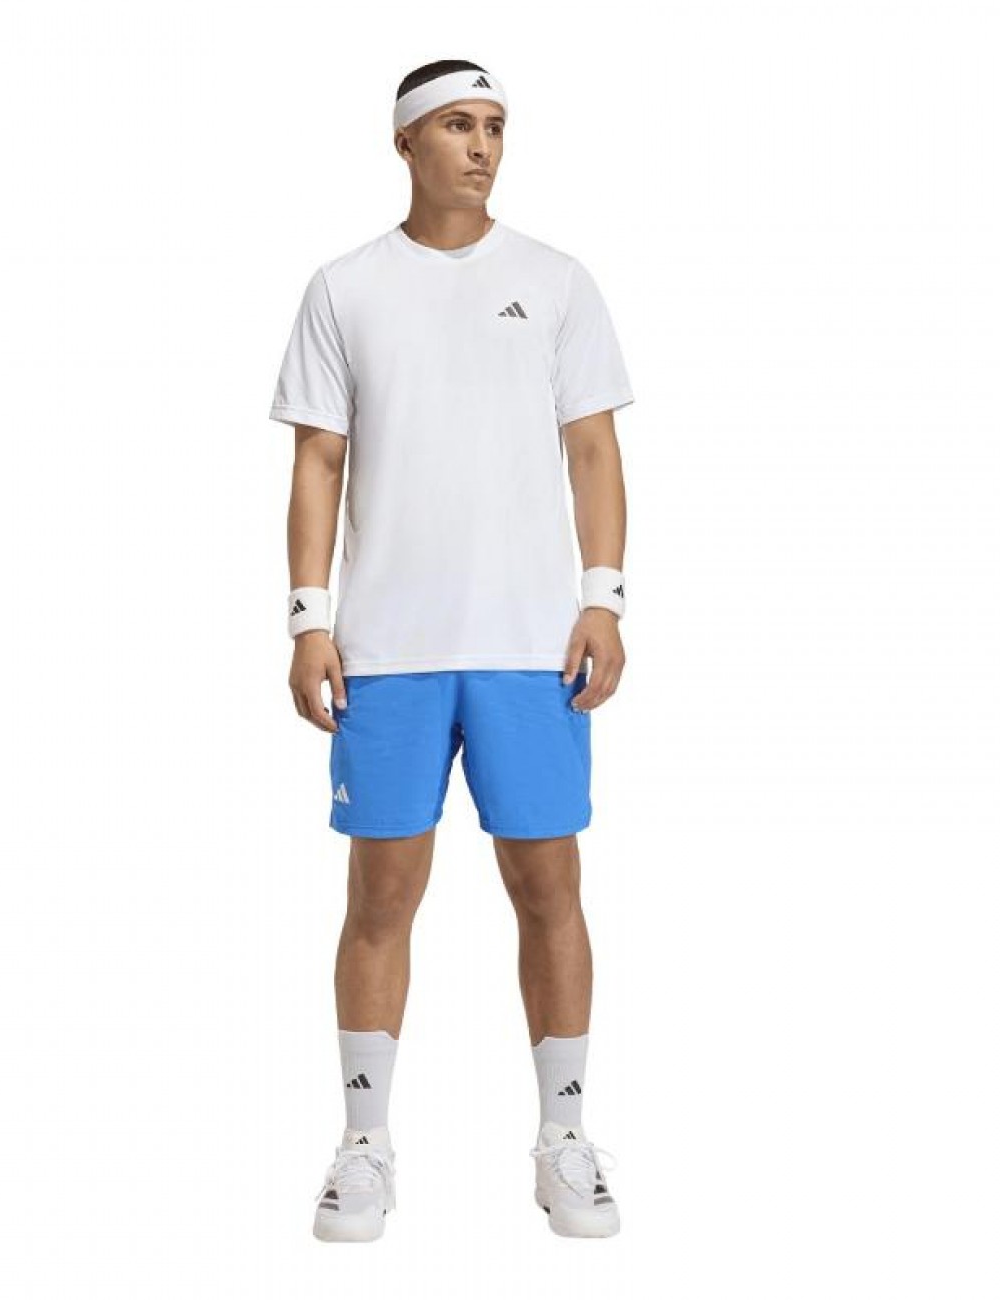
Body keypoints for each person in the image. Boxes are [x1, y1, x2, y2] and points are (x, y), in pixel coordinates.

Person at [269, 60, 633, 1242]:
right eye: (459, 126)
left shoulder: (556, 281)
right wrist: (308, 617)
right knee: (380, 894)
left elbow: (592, 449)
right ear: (405, 143)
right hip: (387, 647)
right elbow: (318, 460)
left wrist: (603, 598)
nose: (482, 146)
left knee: (549, 885)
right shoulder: (344, 287)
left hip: (530, 644)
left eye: (496, 127)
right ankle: (363, 1144)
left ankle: (564, 1137)